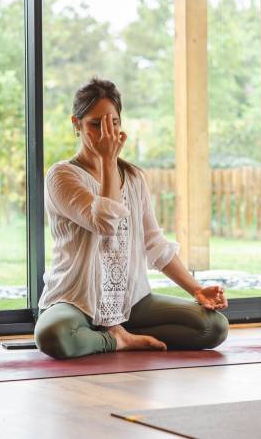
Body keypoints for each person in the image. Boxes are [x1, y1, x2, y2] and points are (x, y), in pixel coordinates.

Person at [34, 78, 229, 359]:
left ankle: (121, 332)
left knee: (213, 328)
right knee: (52, 336)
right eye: (95, 124)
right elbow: (105, 223)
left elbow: (154, 243)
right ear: (76, 124)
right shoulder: (62, 176)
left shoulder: (134, 177)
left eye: (112, 123)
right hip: (76, 300)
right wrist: (108, 161)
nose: (106, 133)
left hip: (130, 302)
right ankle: (118, 341)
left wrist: (197, 289)